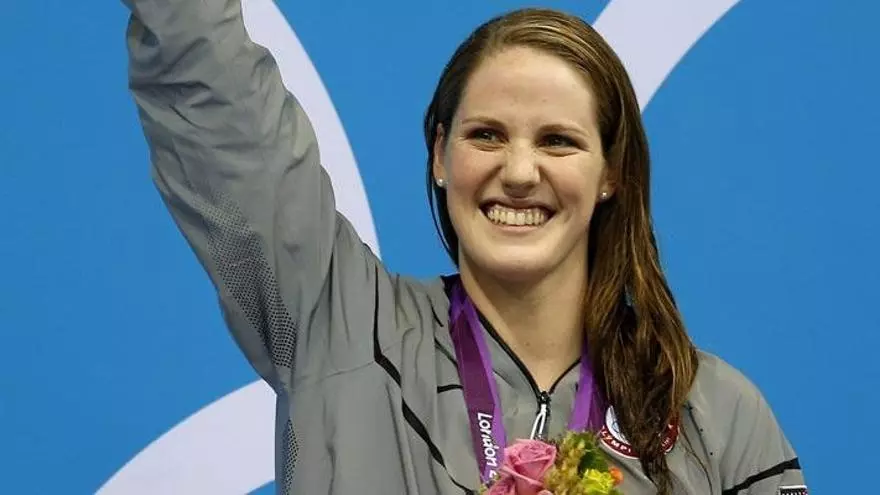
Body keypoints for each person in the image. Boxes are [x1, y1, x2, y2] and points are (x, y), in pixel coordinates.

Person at [122, 0, 807, 493]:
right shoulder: (338, 329)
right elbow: (220, 110)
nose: (519, 171)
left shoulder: (710, 410)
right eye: (486, 135)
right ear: (440, 155)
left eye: (558, 141)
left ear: (611, 174)